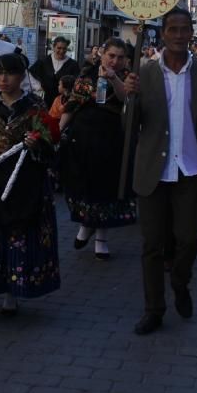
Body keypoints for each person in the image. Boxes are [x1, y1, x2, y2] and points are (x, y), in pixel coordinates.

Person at [122, 7, 197, 336]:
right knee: (152, 245)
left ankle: (180, 282)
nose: (180, 35)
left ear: (191, 32)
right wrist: (129, 97)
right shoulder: (145, 72)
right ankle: (154, 308)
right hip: (154, 170)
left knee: (189, 239)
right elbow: (130, 127)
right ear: (163, 34)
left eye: (185, 29)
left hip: (191, 170)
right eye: (173, 30)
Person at [0, 53, 60, 324]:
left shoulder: (35, 106)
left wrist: (36, 144)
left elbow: (49, 146)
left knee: (17, 239)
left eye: (9, 73)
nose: (3, 79)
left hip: (22, 181)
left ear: (21, 76)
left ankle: (11, 295)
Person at [59, 38, 136, 261]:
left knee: (107, 188)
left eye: (120, 57)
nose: (115, 60)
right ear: (102, 54)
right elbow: (72, 104)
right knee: (84, 185)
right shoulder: (86, 75)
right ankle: (85, 224)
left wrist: (113, 80)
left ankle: (101, 238)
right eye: (111, 55)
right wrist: (58, 131)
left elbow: (127, 100)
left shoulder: (128, 77)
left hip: (112, 138)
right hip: (84, 137)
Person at [29, 36, 81, 104]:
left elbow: (77, 81)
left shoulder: (73, 64)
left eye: (64, 48)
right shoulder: (44, 61)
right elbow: (30, 73)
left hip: (64, 102)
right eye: (59, 48)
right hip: (46, 100)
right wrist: (37, 86)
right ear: (53, 47)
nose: (62, 51)